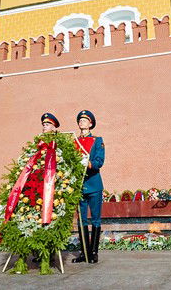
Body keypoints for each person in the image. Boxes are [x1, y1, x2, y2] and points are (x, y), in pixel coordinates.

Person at [72, 110, 105, 264]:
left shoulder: (97, 140)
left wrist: (89, 163)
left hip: (94, 184)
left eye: (85, 120)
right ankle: (84, 252)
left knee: (96, 219)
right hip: (79, 186)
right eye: (80, 120)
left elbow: (99, 161)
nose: (81, 122)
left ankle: (94, 252)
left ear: (90, 124)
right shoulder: (74, 141)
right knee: (82, 220)